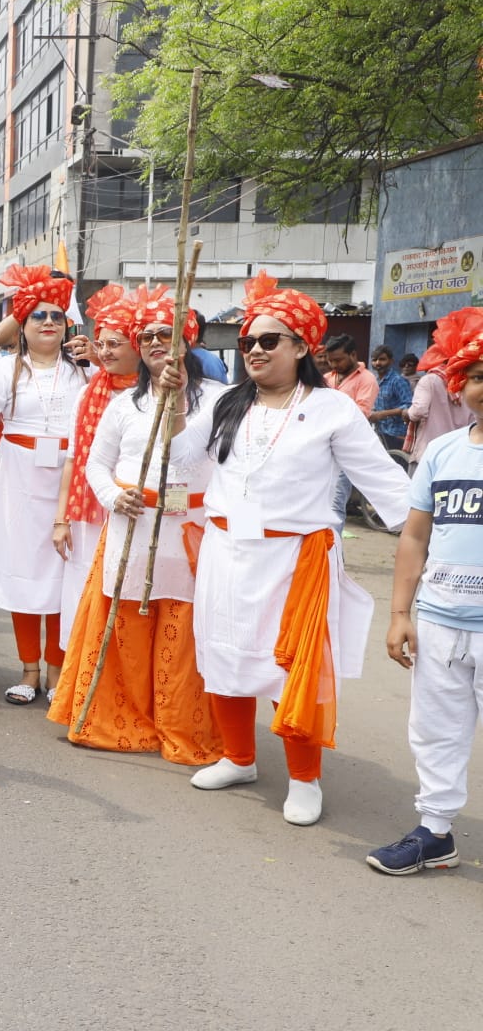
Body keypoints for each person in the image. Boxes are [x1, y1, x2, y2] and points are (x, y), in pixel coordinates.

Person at [161, 272, 410, 826]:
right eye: (248, 340)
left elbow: (387, 486)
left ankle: (304, 779)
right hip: (226, 551)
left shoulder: (332, 409)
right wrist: (173, 397)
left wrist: (431, 543)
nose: (254, 349)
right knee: (223, 656)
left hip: (292, 561)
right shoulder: (228, 402)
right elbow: (179, 457)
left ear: (302, 346)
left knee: (291, 669)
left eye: (268, 340)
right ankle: (239, 757)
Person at [48, 291, 225, 765]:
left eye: (163, 334)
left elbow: (187, 456)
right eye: (144, 335)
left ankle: (180, 726)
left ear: (186, 340)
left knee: (182, 633)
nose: (152, 342)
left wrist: (177, 401)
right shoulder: (124, 403)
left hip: (189, 529)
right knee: (126, 624)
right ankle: (123, 722)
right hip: (131, 527)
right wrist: (111, 497)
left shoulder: (220, 400)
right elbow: (95, 465)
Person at [370, 307, 483, 874]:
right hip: (440, 618)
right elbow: (415, 536)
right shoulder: (442, 452)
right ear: (462, 383)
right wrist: (399, 612)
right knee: (435, 733)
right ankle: (435, 833)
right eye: (480, 372)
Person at [0, 264, 87, 705]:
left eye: (56, 316)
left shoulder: (84, 371)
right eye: (38, 316)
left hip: (72, 480)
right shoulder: (6, 370)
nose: (48, 322)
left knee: (63, 575)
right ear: (23, 325)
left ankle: (57, 672)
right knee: (25, 575)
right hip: (19, 479)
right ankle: (30, 671)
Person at [51, 285, 137, 660]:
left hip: (135, 514)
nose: (104, 352)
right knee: (82, 593)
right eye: (101, 343)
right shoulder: (88, 393)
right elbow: (74, 458)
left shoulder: (157, 397)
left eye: (115, 343)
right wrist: (61, 520)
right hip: (88, 519)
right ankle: (80, 680)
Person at [324, 332, 379, 530]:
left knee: (335, 504)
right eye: (330, 361)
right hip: (321, 448)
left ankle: (333, 556)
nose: (333, 365)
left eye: (338, 360)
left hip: (345, 449)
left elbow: (361, 413)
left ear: (353, 354)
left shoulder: (366, 379)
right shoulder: (327, 378)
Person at [406, 334, 473, 463]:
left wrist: (407, 413)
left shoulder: (429, 380)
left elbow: (418, 411)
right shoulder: (469, 381)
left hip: (429, 452)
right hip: (457, 454)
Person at [368, 343, 412, 452]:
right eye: (374, 360)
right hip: (381, 433)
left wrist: (382, 414)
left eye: (382, 359)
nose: (378, 363)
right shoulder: (376, 381)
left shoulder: (398, 380)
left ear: (391, 361)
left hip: (397, 434)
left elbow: (409, 405)